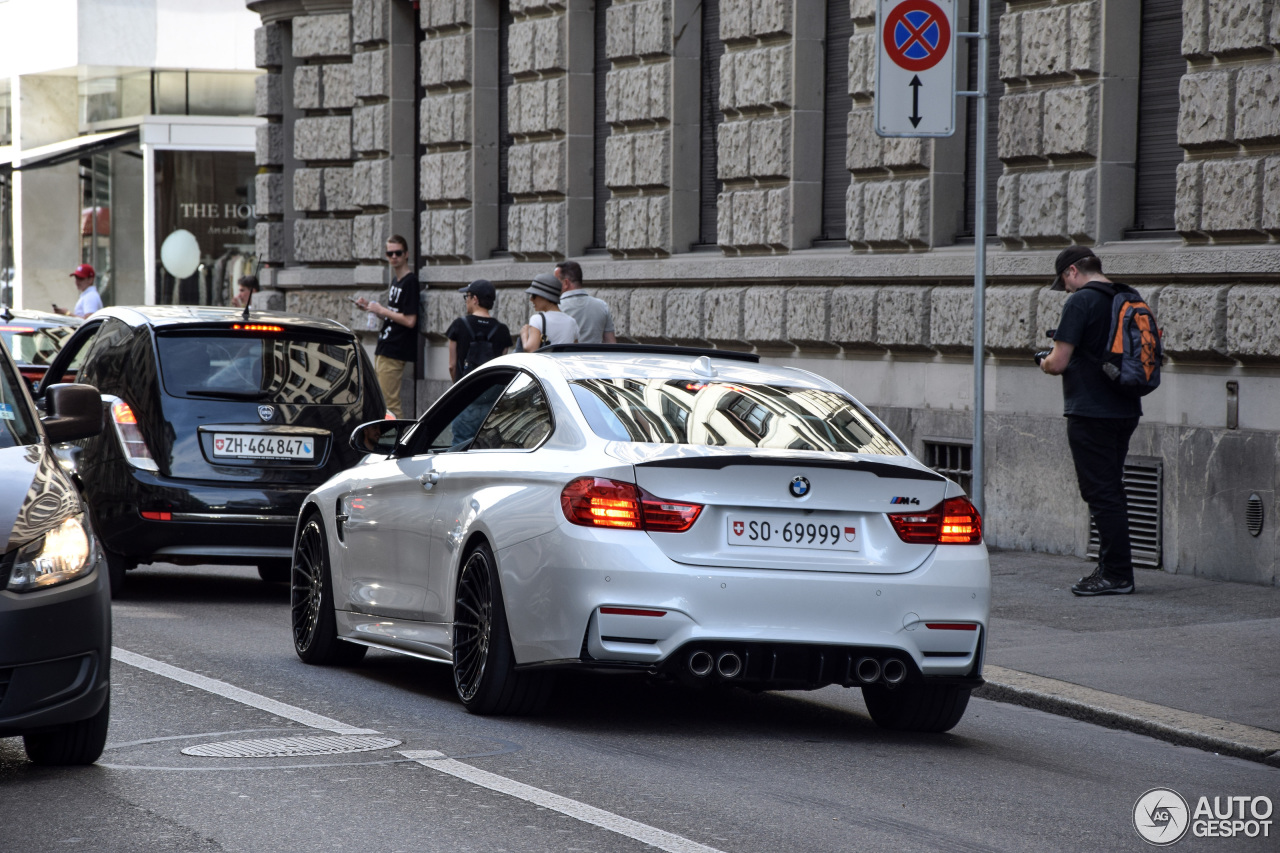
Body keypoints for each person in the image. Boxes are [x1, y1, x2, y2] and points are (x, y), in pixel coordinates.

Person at [1039, 247, 1143, 596]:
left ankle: (1116, 575)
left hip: (1091, 411)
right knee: (1111, 489)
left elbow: (1058, 362)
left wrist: (1042, 360)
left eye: (1064, 282)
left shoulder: (1081, 301)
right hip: (1126, 408)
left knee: (1100, 492)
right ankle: (1112, 567)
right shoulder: (1127, 295)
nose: (1065, 289)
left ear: (1072, 271)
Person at [355, 235, 419, 418]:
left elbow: (409, 320)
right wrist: (370, 307)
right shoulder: (396, 281)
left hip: (396, 348)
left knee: (389, 403)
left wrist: (381, 310)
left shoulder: (410, 282)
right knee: (382, 399)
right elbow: (394, 314)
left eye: (397, 253)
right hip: (385, 346)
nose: (393, 257)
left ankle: (398, 442)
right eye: (389, 253)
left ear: (406, 254)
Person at [447, 279, 512, 382]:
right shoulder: (502, 330)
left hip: (465, 389)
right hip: (489, 392)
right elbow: (501, 366)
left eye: (467, 296)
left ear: (475, 299)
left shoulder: (459, 325)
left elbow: (452, 366)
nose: (466, 300)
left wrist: (457, 386)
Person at [554, 260, 616, 344]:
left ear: (565, 283)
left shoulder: (555, 308)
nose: (552, 285)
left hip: (566, 356)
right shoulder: (602, 306)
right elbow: (611, 344)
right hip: (596, 356)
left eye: (555, 281)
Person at [519, 273, 579, 351]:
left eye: (534, 295)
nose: (531, 299)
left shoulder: (537, 319)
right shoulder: (572, 322)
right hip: (565, 363)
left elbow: (531, 350)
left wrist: (524, 334)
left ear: (544, 296)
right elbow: (575, 350)